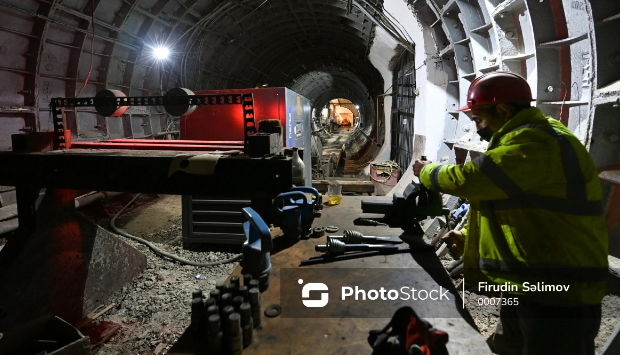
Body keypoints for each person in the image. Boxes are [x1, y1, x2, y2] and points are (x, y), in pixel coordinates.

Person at [412, 71, 608, 355]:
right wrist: (468, 237)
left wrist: (426, 171)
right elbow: (510, 207)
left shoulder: (538, 142)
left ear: (502, 110)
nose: (477, 128)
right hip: (530, 286)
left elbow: (471, 180)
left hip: (560, 293)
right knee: (507, 346)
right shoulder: (520, 140)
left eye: (479, 120)